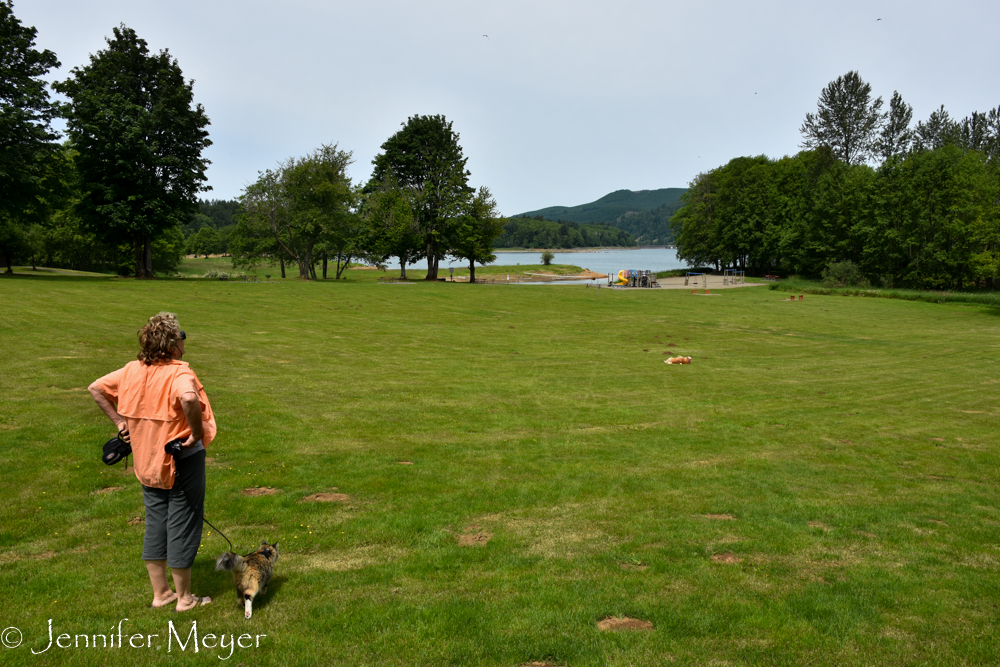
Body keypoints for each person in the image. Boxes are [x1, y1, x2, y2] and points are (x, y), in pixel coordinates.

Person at [89, 312, 217, 611]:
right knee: (184, 522)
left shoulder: (131, 370)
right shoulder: (179, 373)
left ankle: (161, 594)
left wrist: (121, 423)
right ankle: (185, 599)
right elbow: (188, 399)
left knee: (156, 523)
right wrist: (196, 433)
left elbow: (96, 388)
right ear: (173, 345)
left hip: (146, 461)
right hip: (180, 458)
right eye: (181, 337)